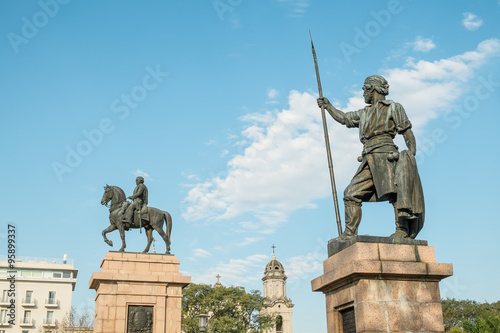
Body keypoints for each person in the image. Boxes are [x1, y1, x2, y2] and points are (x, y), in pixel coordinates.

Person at [317, 75, 424, 239]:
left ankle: (401, 230)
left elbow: (407, 132)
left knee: (396, 193)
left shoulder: (393, 107)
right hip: (369, 157)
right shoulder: (364, 113)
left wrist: (410, 154)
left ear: (372, 89)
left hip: (387, 156)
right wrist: (328, 106)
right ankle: (350, 234)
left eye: (364, 90)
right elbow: (345, 118)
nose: (363, 94)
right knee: (351, 193)